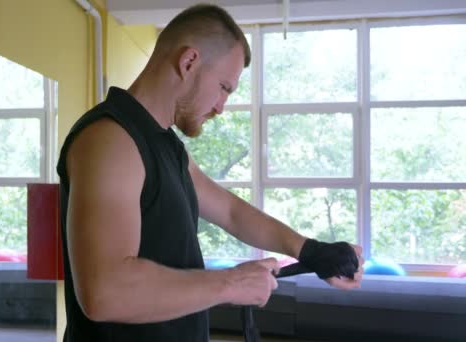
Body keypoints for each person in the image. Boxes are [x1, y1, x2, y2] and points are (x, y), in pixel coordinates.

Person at [56, 3, 364, 342]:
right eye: (224, 87)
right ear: (188, 62)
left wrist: (311, 251)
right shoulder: (111, 139)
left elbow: (230, 212)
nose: (221, 107)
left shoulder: (164, 144)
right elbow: (106, 293)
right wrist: (232, 284)